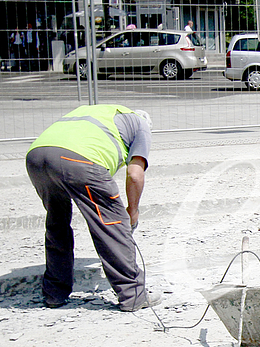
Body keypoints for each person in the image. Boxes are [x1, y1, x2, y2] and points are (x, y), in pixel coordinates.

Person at [25, 104, 160, 311]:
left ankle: (55, 293)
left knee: (57, 223)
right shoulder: (141, 125)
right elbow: (134, 173)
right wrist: (132, 211)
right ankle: (133, 295)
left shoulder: (100, 113)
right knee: (111, 224)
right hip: (77, 161)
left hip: (37, 158)